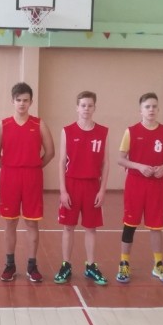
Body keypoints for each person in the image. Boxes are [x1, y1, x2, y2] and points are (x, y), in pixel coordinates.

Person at [0, 83, 55, 282]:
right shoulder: (3, 125)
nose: (21, 103)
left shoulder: (39, 124)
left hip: (32, 177)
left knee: (31, 222)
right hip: (10, 177)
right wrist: (8, 168)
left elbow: (50, 152)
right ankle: (9, 264)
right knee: (10, 222)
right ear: (13, 101)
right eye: (18, 100)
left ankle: (32, 265)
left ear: (31, 102)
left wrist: (35, 166)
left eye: (25, 100)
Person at [116, 92, 163, 284]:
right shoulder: (131, 131)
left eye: (154, 106)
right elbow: (120, 159)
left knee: (156, 226)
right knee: (130, 224)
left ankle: (158, 264)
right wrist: (139, 166)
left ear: (158, 109)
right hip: (135, 184)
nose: (151, 110)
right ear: (140, 110)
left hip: (157, 185)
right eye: (147, 107)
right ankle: (124, 263)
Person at [54, 90, 109, 285]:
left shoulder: (102, 132)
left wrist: (102, 190)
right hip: (71, 184)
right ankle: (66, 265)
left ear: (95, 108)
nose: (86, 108)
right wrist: (63, 190)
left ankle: (91, 266)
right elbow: (61, 162)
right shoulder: (67, 131)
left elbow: (105, 163)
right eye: (83, 105)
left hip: (92, 185)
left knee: (91, 228)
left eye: (90, 105)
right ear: (77, 108)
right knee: (68, 227)